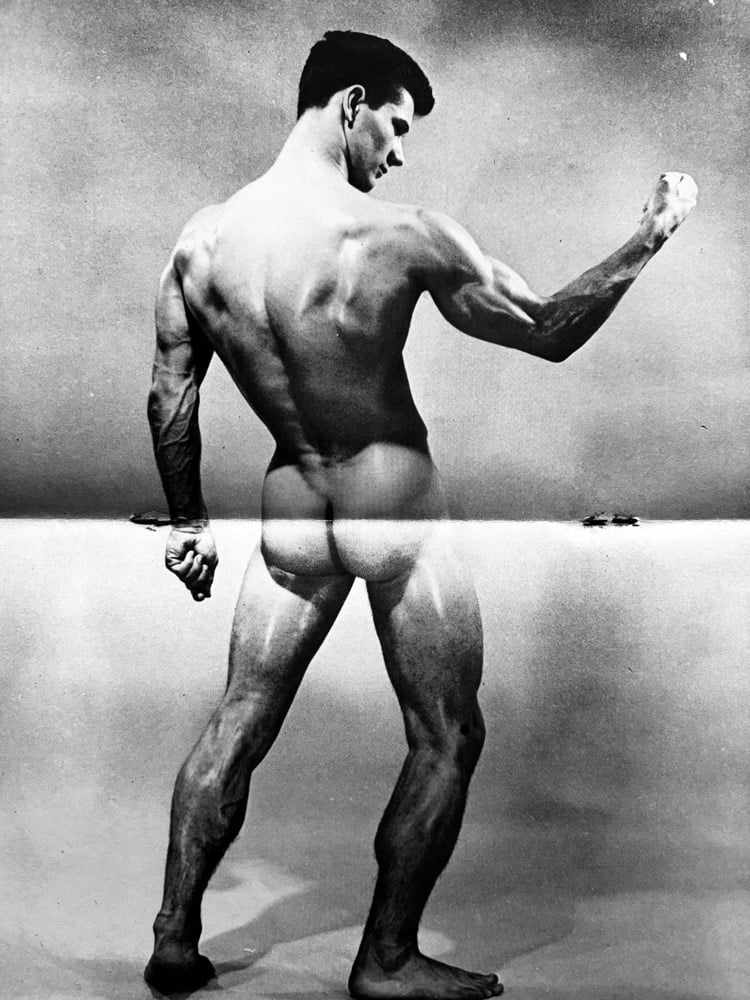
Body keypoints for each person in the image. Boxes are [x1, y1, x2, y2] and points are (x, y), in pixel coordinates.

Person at [143, 30, 697, 998]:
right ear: (351, 104)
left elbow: (170, 393)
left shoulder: (204, 241)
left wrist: (188, 526)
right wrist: (648, 237)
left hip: (291, 503)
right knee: (448, 736)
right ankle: (387, 959)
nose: (398, 153)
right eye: (396, 127)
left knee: (239, 719)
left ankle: (175, 941)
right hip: (391, 500)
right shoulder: (400, 235)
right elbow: (546, 330)